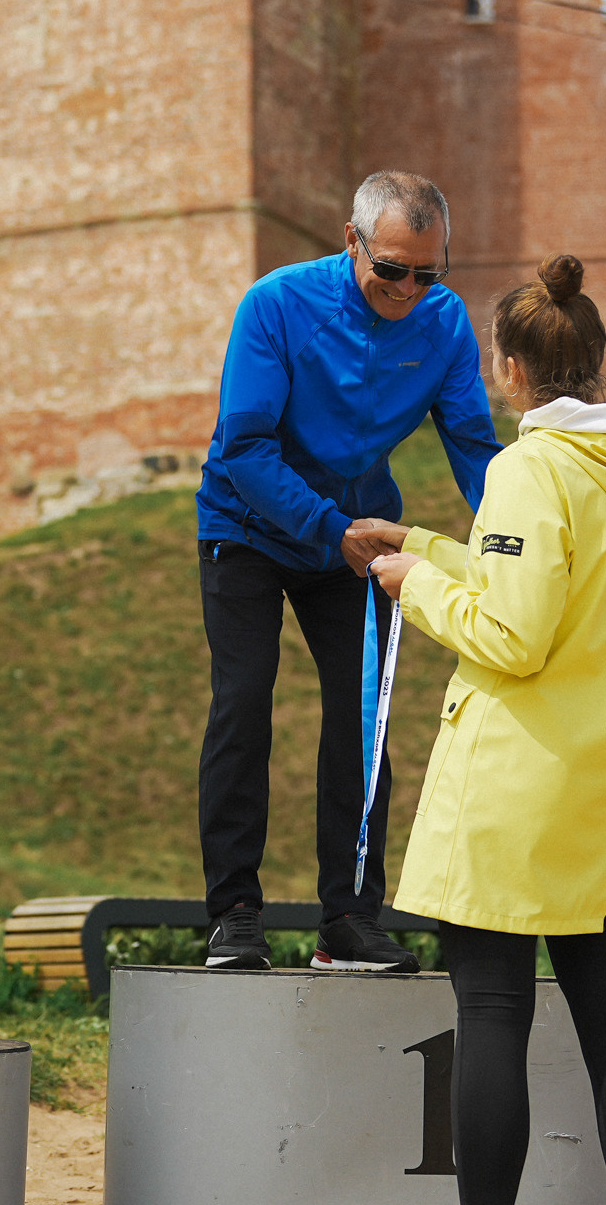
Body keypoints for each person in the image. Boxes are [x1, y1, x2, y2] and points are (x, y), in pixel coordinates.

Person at [369, 254, 606, 1205]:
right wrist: (422, 543)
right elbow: (557, 594)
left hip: (514, 785)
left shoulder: (527, 467)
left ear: (508, 368)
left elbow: (511, 631)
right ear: (595, 357)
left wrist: (413, 587)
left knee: (493, 1015)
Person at [195, 171, 503, 972]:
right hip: (249, 526)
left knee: (365, 720)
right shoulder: (276, 304)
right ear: (351, 242)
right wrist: (327, 528)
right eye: (390, 270)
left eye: (427, 274)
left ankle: (351, 918)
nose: (407, 290)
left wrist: (516, 537)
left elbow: (473, 444)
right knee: (243, 704)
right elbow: (246, 449)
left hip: (357, 536)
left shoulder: (442, 323)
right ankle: (232, 913)